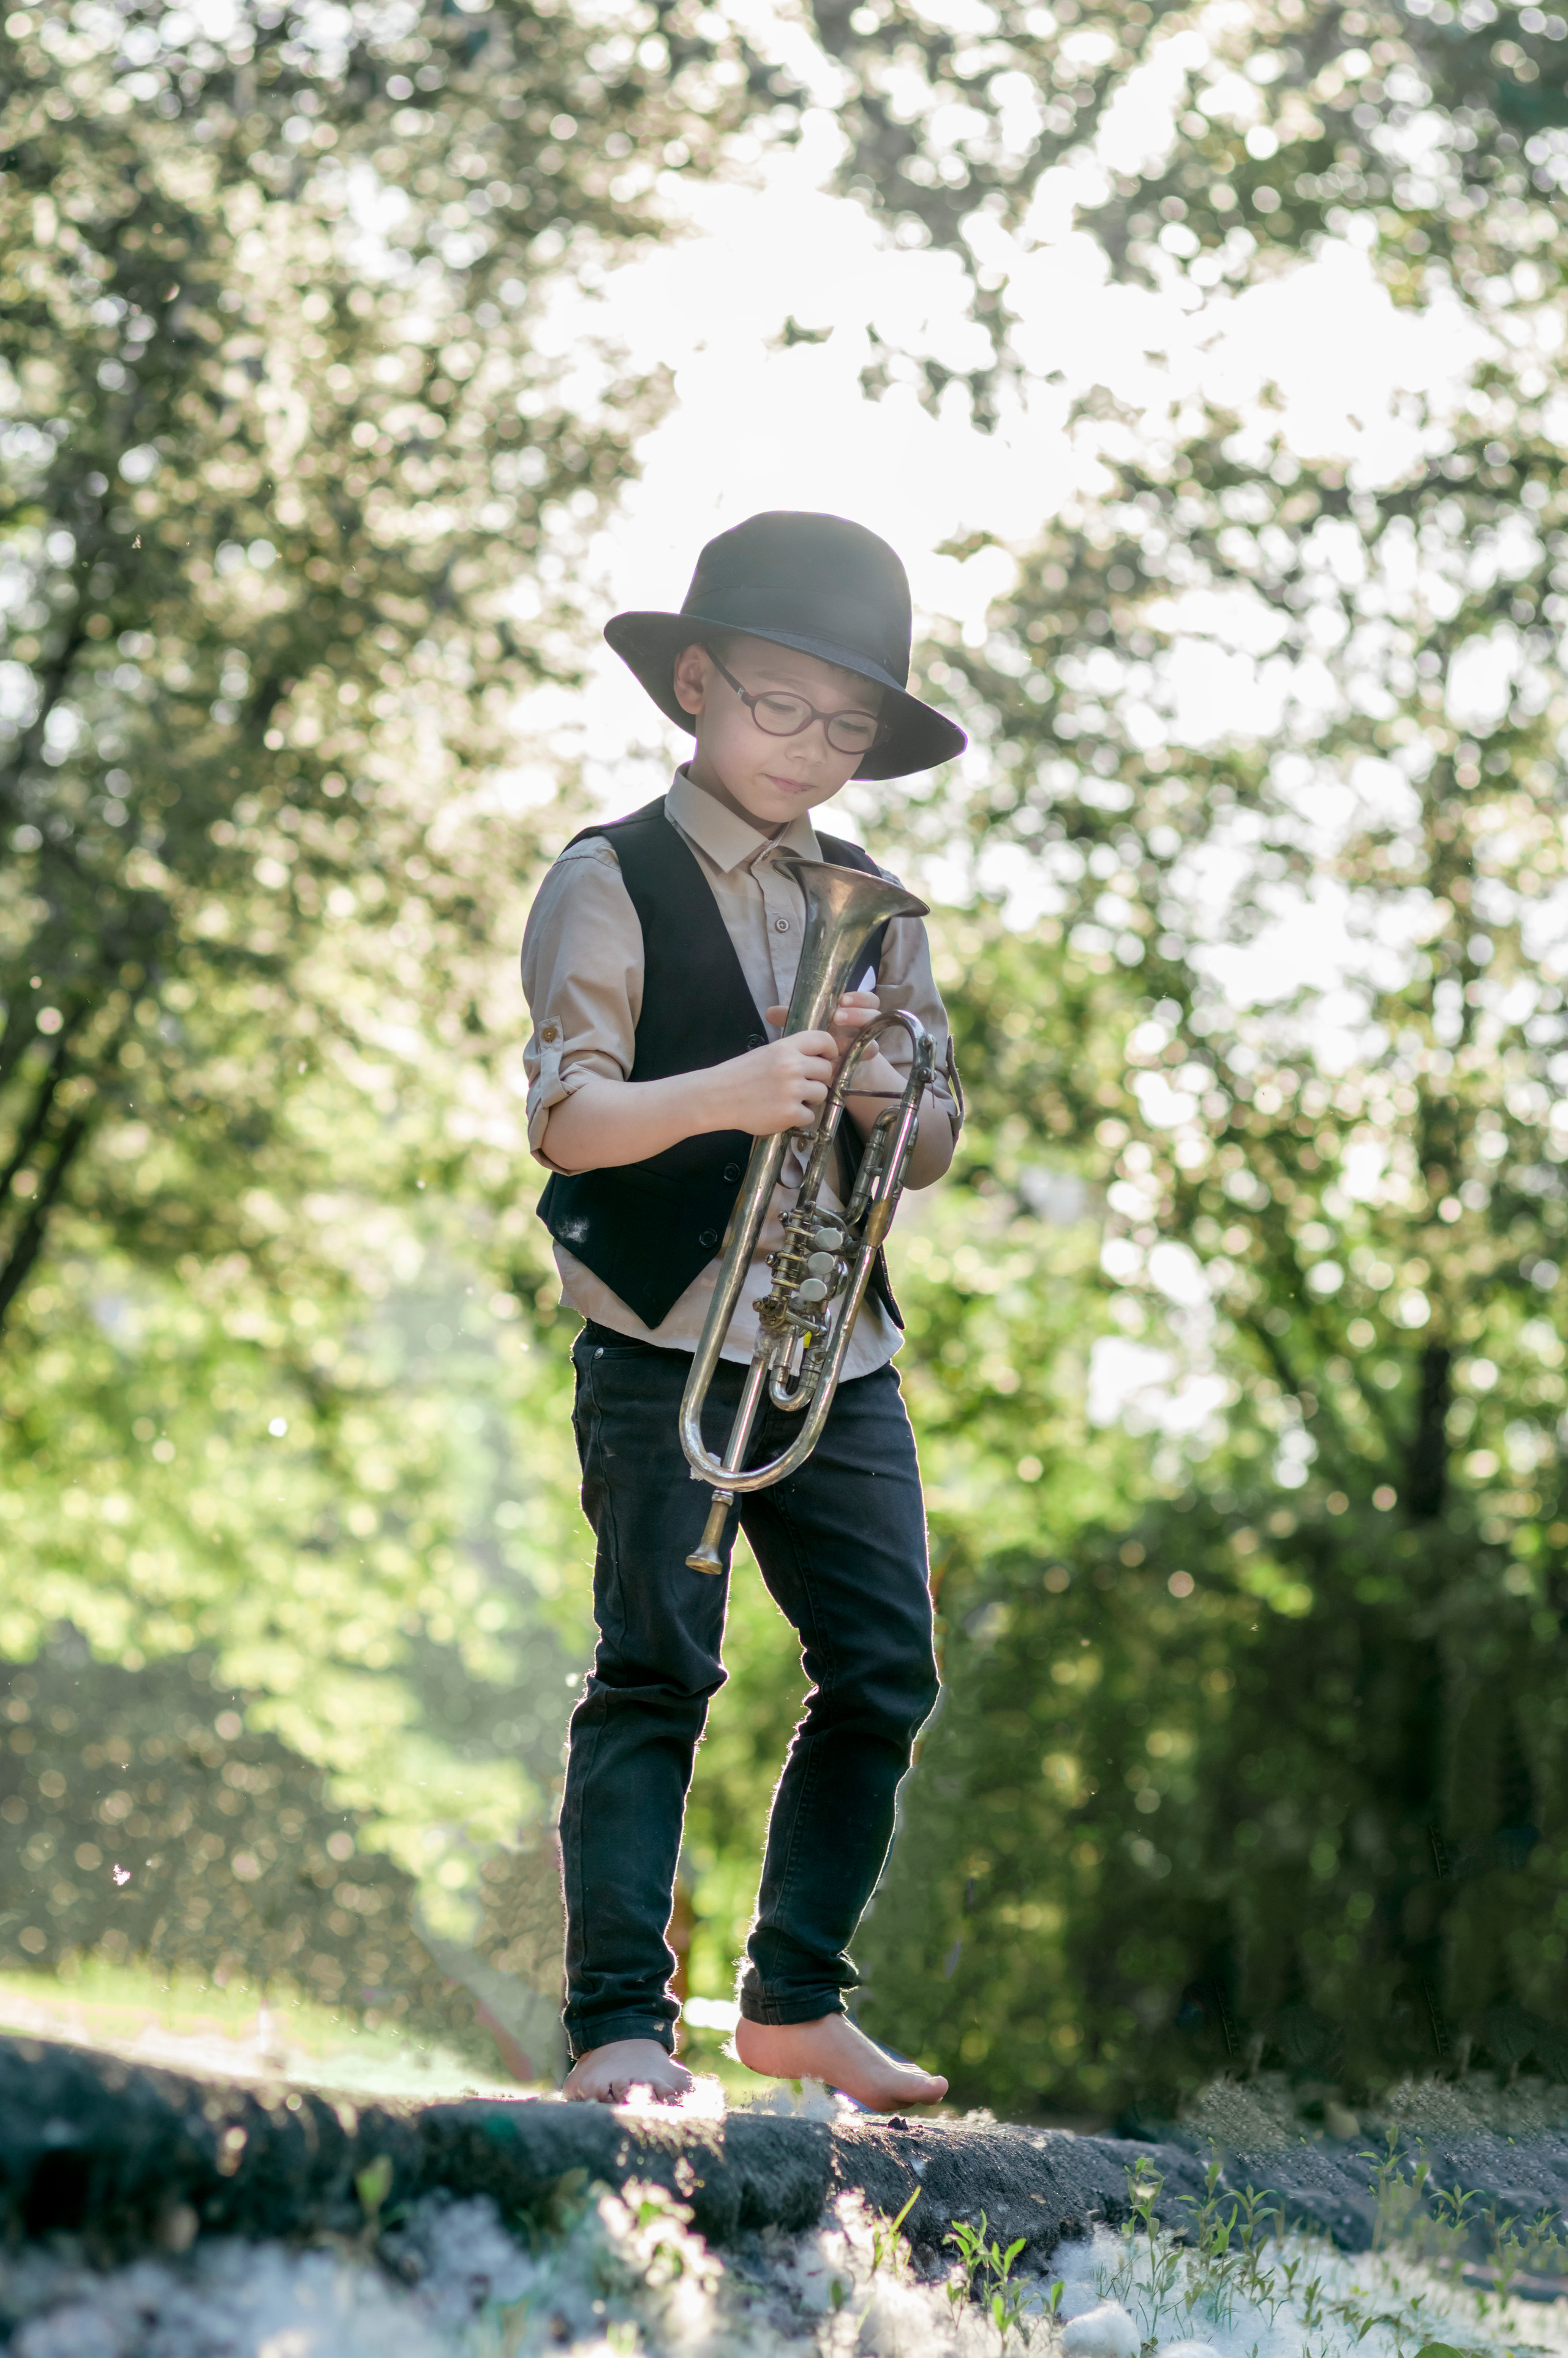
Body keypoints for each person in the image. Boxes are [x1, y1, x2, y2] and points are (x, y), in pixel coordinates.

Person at [520, 510, 967, 2110]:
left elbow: (926, 1145)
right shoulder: (608, 880)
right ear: (696, 682)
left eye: (848, 728)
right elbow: (572, 1118)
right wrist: (742, 1089)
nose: (812, 749)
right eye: (781, 706)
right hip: (663, 1336)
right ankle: (620, 2026)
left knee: (886, 1665)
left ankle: (792, 2000)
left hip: (831, 1349)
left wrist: (875, 1097)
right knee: (656, 1665)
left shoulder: (877, 904)